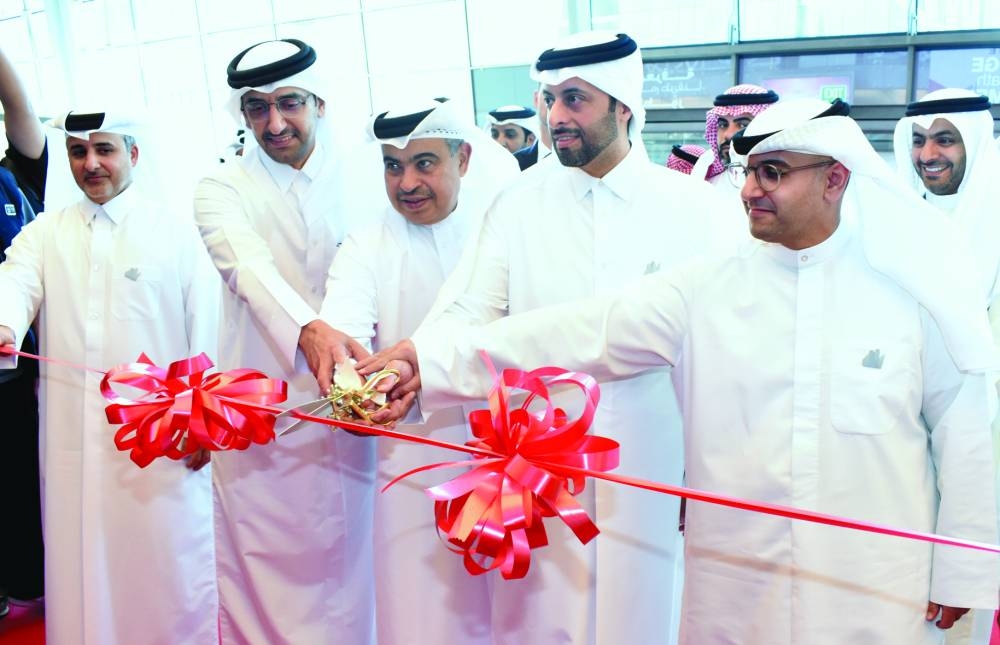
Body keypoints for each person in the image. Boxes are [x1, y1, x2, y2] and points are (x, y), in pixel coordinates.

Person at [363, 97, 1000, 645]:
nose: (749, 189)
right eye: (751, 172)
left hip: (870, 587)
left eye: (773, 173)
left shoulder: (910, 296)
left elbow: (967, 432)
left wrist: (964, 567)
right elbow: (580, 331)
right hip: (737, 583)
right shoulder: (707, 288)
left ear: (835, 179)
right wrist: (432, 359)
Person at [367, 30, 737, 645]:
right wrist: (422, 361)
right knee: (538, 619)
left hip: (651, 457)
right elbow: (467, 306)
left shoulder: (697, 210)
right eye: (548, 100)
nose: (555, 117)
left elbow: (721, 359)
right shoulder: (518, 202)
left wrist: (706, 478)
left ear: (624, 106)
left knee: (644, 616)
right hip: (532, 464)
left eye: (574, 100)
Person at [0, 110, 220, 644]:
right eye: (79, 152)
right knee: (81, 564)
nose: (91, 163)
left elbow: (209, 331)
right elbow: (15, 278)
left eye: (105, 150)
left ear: (134, 155)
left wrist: (203, 418)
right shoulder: (45, 232)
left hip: (163, 441)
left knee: (164, 564)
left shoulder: (176, 234)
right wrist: (3, 323)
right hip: (74, 445)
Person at [304, 97, 518, 644]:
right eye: (393, 166)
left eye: (425, 163)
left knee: (518, 603)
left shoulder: (507, 232)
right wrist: (348, 382)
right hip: (411, 454)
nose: (407, 183)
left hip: (512, 453)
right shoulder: (366, 242)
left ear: (464, 160)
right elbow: (344, 323)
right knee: (421, 609)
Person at [193, 38, 375, 645]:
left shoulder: (372, 174)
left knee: (368, 571)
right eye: (256, 108)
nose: (274, 123)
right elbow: (247, 267)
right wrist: (310, 330)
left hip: (364, 416)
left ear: (319, 102)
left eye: (289, 103)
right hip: (264, 418)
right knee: (265, 576)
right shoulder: (221, 187)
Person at [0, 45, 46, 618]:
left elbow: (20, 110)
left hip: (24, 370)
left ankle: (27, 578)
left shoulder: (14, 179)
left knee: (23, 480)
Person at [893, 89, 1000, 304]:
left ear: (974, 145)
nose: (927, 155)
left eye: (944, 140)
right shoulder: (898, 218)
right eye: (918, 141)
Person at [691, 84, 779, 188]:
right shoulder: (705, 168)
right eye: (723, 125)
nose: (728, 135)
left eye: (742, 125)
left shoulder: (785, 176)